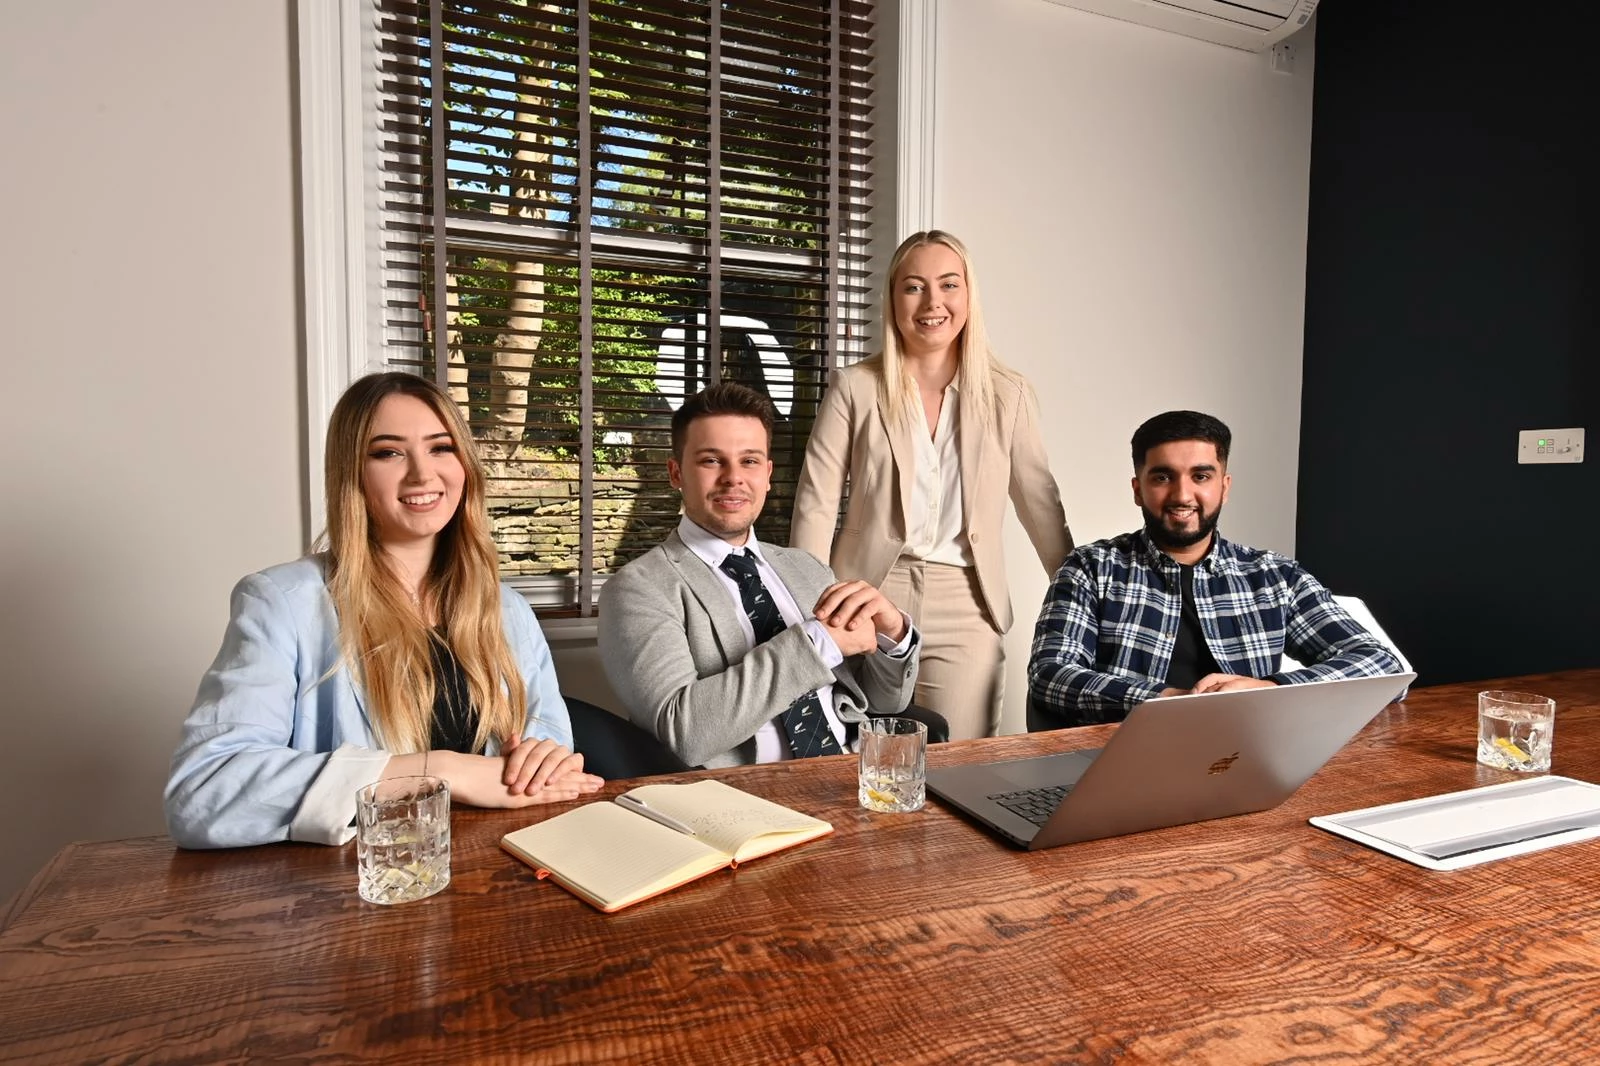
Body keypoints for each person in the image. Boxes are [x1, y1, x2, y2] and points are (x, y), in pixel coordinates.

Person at [165, 372, 602, 848]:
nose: (422, 473)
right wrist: (443, 771)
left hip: (495, 875)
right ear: (352, 471)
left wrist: (545, 762)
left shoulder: (508, 611)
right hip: (359, 893)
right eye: (388, 452)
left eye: (441, 447)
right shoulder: (281, 603)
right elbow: (202, 793)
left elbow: (550, 758)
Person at [791, 229, 1072, 739]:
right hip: (865, 590)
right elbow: (816, 502)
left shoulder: (1008, 396)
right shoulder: (854, 388)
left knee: (959, 764)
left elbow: (1041, 506)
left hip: (966, 599)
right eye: (914, 287)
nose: (932, 302)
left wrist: (1082, 599)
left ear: (968, 295)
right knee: (851, 754)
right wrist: (809, 606)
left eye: (948, 285)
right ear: (894, 298)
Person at [599, 383, 924, 769]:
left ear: (768, 474)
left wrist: (894, 639)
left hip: (855, 774)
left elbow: (884, 703)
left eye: (749, 461)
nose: (733, 478)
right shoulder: (638, 589)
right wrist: (816, 642)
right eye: (711, 461)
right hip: (745, 798)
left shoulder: (807, 568)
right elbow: (683, 732)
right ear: (675, 473)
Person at [1028, 410, 1405, 727]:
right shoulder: (1091, 569)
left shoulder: (1274, 576)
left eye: (1201, 476)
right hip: (1120, 758)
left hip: (1250, 755)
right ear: (1138, 489)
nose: (1182, 495)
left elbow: (1383, 666)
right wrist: (1168, 699)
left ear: (1224, 487)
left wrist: (1271, 689)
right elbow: (1051, 675)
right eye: (1162, 477)